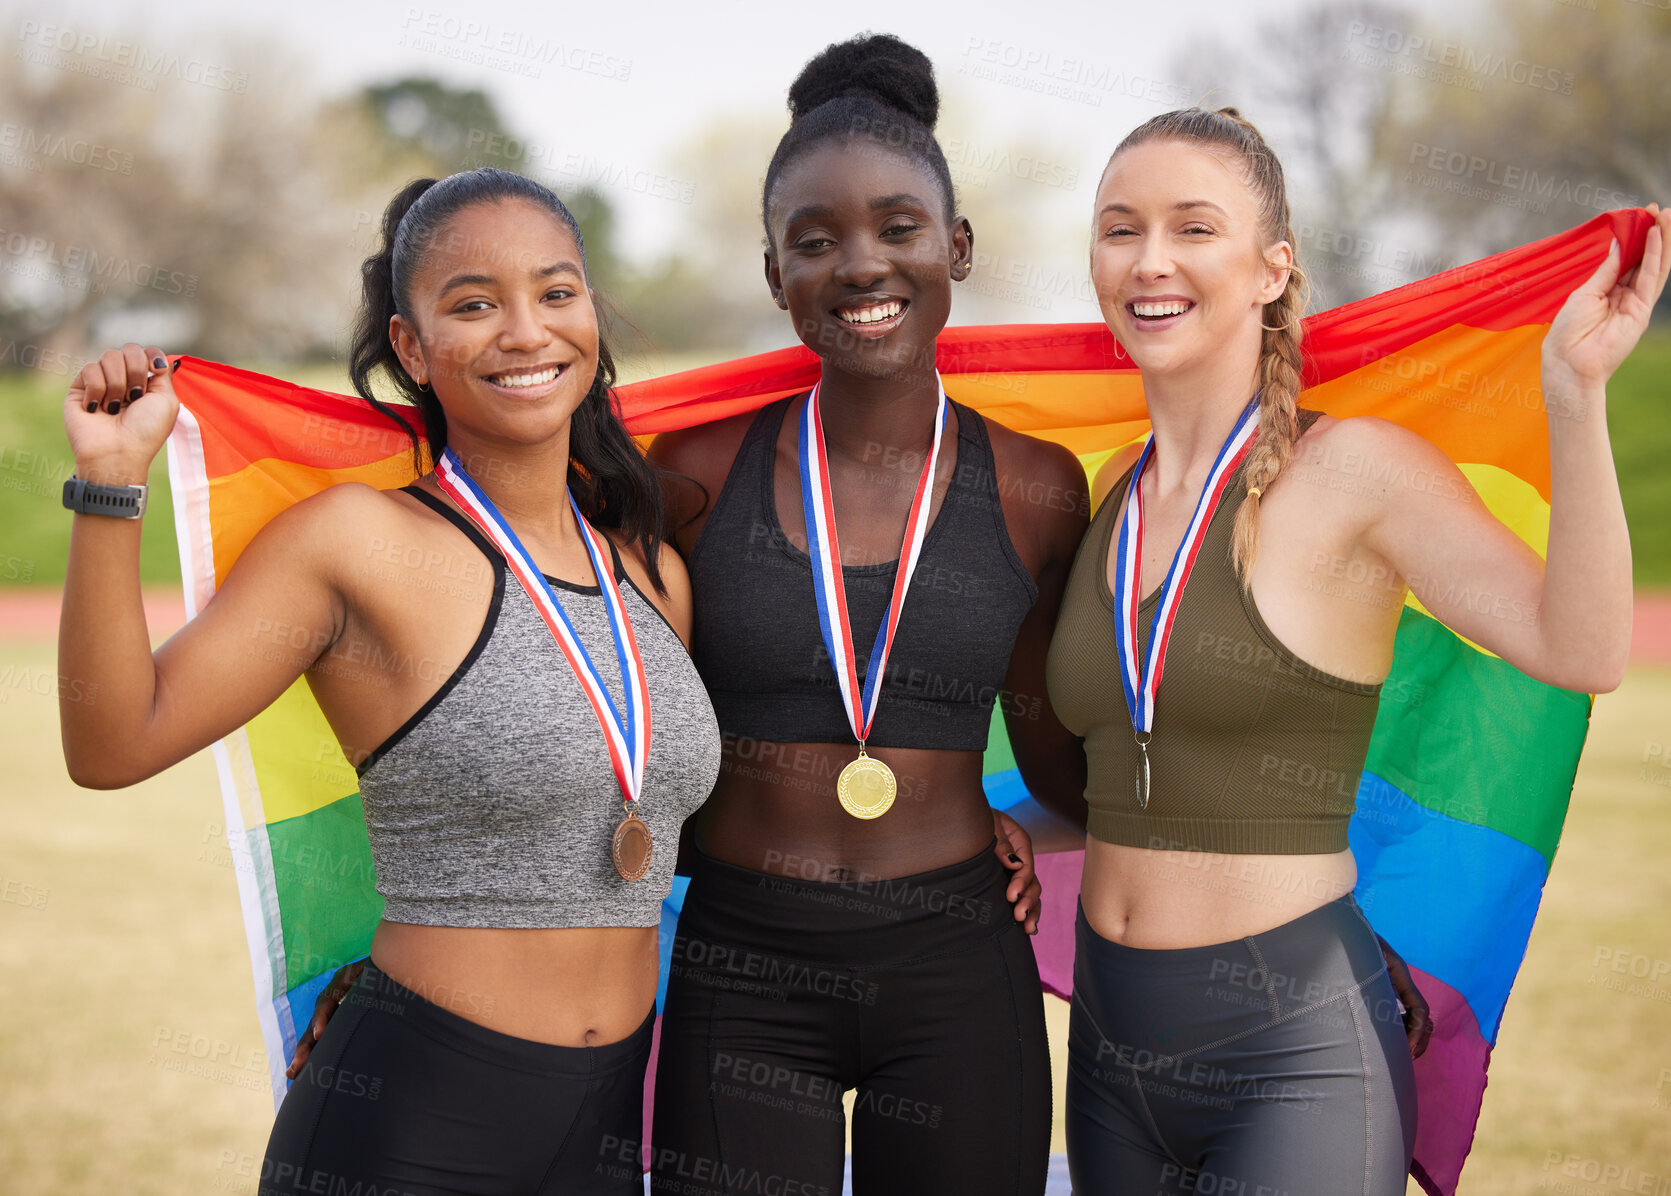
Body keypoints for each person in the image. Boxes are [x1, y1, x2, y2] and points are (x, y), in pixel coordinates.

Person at [58, 167, 721, 1196]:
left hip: (608, 1121)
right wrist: (109, 482)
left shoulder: (652, 570)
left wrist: (980, 820)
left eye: (556, 292)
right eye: (472, 303)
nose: (526, 331)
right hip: (416, 1117)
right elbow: (113, 741)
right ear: (412, 347)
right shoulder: (354, 545)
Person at [1046, 107, 1670, 1194]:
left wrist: (1575, 398)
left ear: (1271, 268)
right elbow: (1127, 772)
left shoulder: (1358, 473)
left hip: (1294, 1053)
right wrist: (992, 829)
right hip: (1108, 1054)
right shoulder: (1111, 495)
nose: (1151, 260)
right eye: (1120, 228)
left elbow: (1581, 647)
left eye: (1195, 228)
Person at [643, 33, 1090, 1196]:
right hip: (743, 963)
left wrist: (1016, 827)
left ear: (958, 245)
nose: (860, 264)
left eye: (898, 227)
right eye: (814, 240)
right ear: (772, 270)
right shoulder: (688, 473)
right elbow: (634, 744)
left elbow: (1063, 759)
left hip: (957, 962)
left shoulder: (1040, 489)